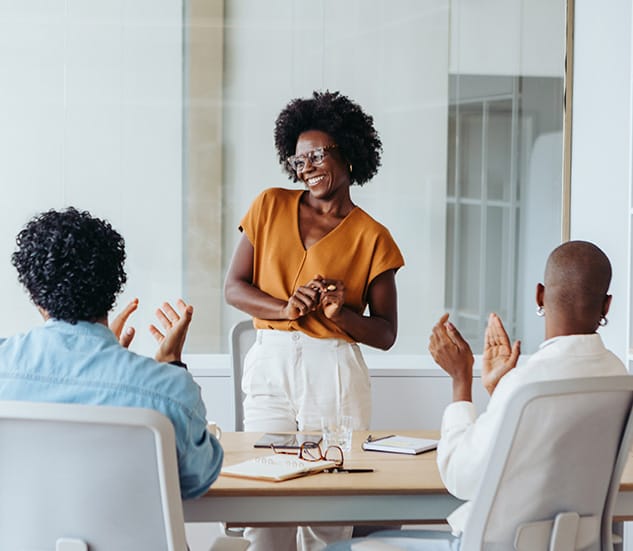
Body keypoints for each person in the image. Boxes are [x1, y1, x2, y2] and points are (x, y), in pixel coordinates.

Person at [324, 240, 627, 550]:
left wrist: (461, 381)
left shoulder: (526, 385)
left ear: (539, 294)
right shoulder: (619, 380)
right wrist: (501, 393)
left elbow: (460, 477)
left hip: (495, 545)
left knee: (341, 548)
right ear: (606, 305)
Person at [224, 90, 404, 550]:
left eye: (317, 155)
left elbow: (385, 333)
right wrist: (284, 308)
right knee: (265, 498)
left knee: (328, 505)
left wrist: (339, 314)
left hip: (335, 372)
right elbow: (233, 288)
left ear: (348, 151)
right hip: (271, 365)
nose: (307, 168)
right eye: (298, 160)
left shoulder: (372, 237)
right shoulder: (268, 206)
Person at [0, 207, 223, 500]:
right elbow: (197, 480)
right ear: (113, 288)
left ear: (34, 294)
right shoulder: (168, 389)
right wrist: (170, 365)